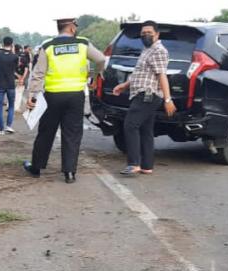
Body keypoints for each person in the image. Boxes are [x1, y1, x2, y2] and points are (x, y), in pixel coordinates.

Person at [24, 17, 105, 184]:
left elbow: (38, 73)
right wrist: (96, 75)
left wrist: (32, 97)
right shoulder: (83, 43)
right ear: (72, 28)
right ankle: (69, 172)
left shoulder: (48, 46)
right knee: (72, 133)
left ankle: (36, 168)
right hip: (76, 95)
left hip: (53, 95)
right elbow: (101, 59)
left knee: (46, 132)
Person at [113, 21, 176, 176]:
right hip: (142, 92)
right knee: (146, 129)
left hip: (147, 94)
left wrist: (168, 100)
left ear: (157, 34)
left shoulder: (159, 50)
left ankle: (133, 164)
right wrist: (125, 85)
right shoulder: (147, 49)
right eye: (143, 33)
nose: (146, 35)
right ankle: (147, 166)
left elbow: (162, 75)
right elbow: (141, 73)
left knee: (130, 125)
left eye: (149, 33)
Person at [0, 37, 19, 135]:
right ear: (12, 44)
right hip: (11, 84)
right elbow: (15, 69)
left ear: (3, 44)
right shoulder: (15, 57)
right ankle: (9, 126)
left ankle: (1, 129)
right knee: (11, 106)